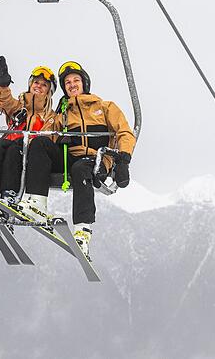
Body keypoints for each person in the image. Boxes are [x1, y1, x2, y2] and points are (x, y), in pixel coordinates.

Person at [16, 61, 136, 260]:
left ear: (84, 83)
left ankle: (82, 231)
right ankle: (37, 204)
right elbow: (46, 133)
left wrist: (123, 160)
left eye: (76, 80)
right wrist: (56, 134)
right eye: (68, 82)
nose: (72, 84)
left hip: (95, 159)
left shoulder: (105, 107)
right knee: (39, 144)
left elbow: (125, 133)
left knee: (81, 168)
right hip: (68, 158)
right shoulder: (62, 113)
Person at [0, 56, 57, 205]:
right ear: (30, 84)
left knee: (14, 150)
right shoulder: (18, 108)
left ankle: (10, 192)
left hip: (27, 154)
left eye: (44, 85)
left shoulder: (50, 116)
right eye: (36, 82)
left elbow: (48, 138)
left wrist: (29, 142)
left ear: (49, 91)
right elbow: (4, 102)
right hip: (7, 146)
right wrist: (2, 83)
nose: (38, 86)